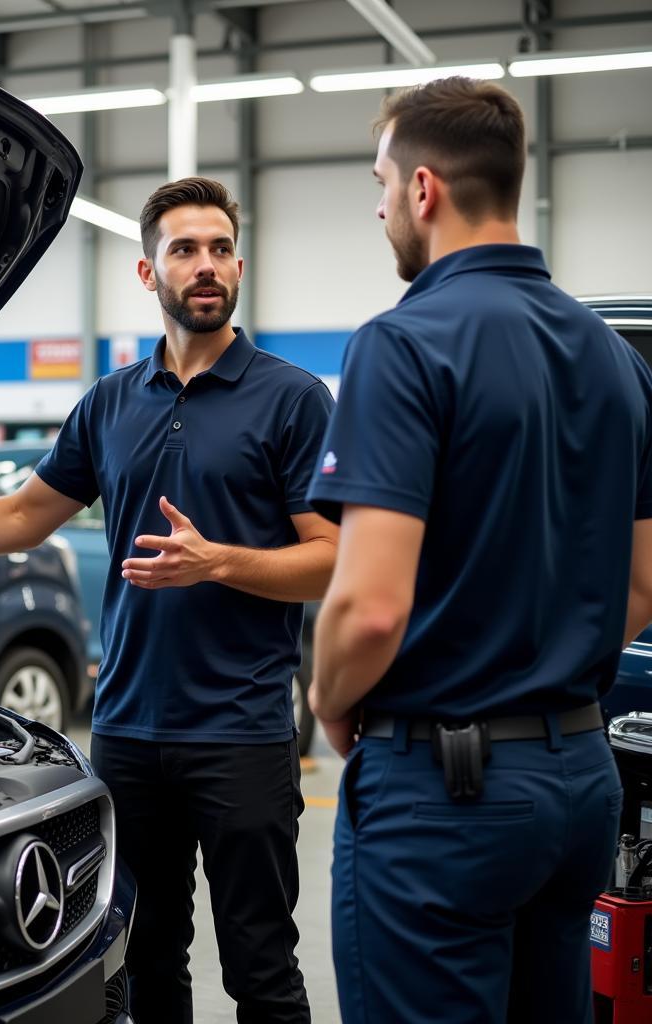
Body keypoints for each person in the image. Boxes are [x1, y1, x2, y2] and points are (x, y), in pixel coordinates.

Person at [0, 176, 337, 1024]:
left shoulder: (294, 399)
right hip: (126, 730)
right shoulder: (111, 402)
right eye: (184, 250)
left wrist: (219, 563)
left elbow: (330, 559)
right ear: (146, 272)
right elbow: (22, 515)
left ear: (239, 263)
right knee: (144, 956)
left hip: (240, 730)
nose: (206, 266)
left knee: (262, 968)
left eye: (219, 249)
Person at [305, 76, 652, 1023]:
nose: (378, 208)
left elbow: (370, 605)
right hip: (582, 781)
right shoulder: (615, 357)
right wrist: (542, 660)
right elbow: (644, 584)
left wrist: (331, 701)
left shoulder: (404, 344)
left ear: (424, 188)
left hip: (444, 794)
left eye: (380, 184)